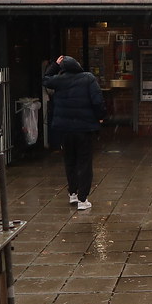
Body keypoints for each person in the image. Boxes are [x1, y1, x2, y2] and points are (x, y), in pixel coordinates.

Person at [43, 55, 107, 209]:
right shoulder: (88, 79)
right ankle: (82, 199)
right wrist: (101, 117)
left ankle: (72, 193)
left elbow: (46, 79)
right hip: (84, 129)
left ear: (63, 68)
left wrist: (55, 65)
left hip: (64, 129)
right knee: (84, 163)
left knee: (70, 161)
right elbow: (97, 100)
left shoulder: (59, 81)